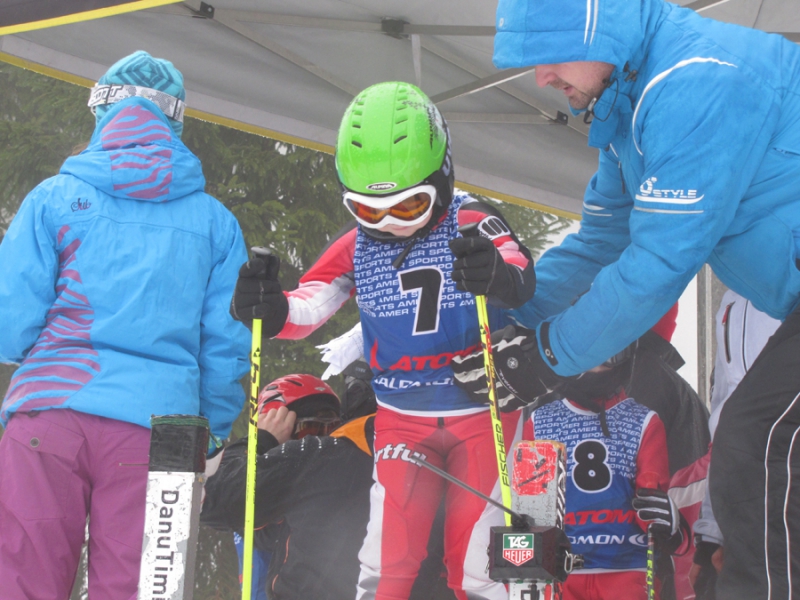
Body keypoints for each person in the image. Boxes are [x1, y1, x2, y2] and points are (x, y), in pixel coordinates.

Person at [450, 1, 800, 597]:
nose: (541, 77)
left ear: (601, 29)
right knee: (759, 441)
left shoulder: (694, 82)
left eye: (551, 55)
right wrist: (515, 306)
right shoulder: (629, 108)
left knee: (758, 440)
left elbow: (658, 263)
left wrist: (545, 356)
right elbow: (599, 243)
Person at [231, 81, 537, 599]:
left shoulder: (469, 219)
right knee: (387, 556)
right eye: (370, 211)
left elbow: (520, 270)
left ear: (442, 176)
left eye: (411, 205)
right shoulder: (358, 246)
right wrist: (268, 306)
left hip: (481, 410)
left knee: (478, 558)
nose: (392, 223)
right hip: (401, 414)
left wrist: (497, 274)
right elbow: (309, 305)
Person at [0, 50, 250, 599]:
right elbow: (228, 345)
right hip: (165, 433)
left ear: (101, 111)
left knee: (20, 586)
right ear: (175, 120)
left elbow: (10, 324)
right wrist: (211, 433)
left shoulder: (53, 199)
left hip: (51, 413)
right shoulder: (217, 224)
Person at [523, 349, 682, 600]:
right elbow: (532, 510)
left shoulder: (644, 420)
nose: (597, 364)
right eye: (589, 352)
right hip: (561, 571)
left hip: (627, 567)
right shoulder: (540, 421)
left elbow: (651, 503)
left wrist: (666, 527)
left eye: (609, 354)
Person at [688, 291, 780, 599]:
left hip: (782, 491)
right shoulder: (732, 298)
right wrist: (711, 535)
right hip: (739, 502)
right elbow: (723, 423)